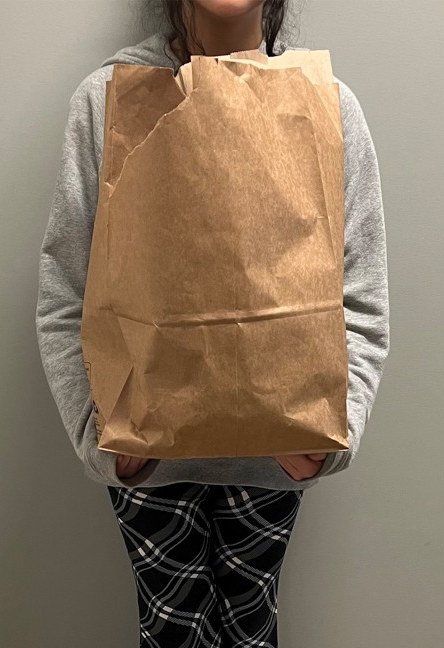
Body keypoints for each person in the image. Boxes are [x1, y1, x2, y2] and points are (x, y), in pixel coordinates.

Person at [35, 0, 390, 644]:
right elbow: (65, 291)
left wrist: (324, 441)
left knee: (251, 631)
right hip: (146, 453)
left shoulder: (326, 107)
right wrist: (103, 441)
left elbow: (362, 297)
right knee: (170, 632)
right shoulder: (109, 100)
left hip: (277, 457)